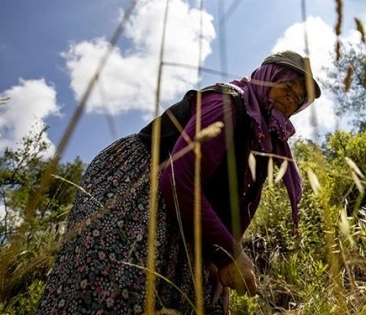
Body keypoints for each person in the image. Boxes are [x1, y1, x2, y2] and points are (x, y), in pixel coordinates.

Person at [37, 50, 321, 314]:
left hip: (183, 207)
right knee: (120, 289)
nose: (290, 99)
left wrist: (221, 256)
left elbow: (239, 204)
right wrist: (229, 254)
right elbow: (177, 179)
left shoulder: (262, 139)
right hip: (137, 189)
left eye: (298, 99)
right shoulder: (228, 104)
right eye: (287, 87)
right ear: (267, 78)